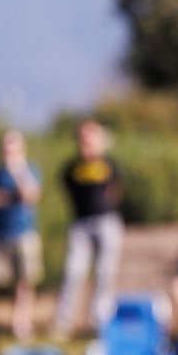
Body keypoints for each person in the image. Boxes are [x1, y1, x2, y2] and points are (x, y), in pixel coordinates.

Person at [52, 119, 125, 339]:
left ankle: (99, 322)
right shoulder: (71, 168)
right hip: (80, 224)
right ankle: (63, 323)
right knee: (73, 272)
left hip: (106, 222)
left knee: (105, 273)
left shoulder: (110, 165)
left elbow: (116, 191)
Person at [0, 128, 43, 342]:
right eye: (6, 147)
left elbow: (30, 195)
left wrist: (17, 174)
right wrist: (10, 197)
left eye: (13, 147)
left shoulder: (30, 170)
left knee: (25, 281)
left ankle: (21, 322)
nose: (9, 152)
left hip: (25, 232)